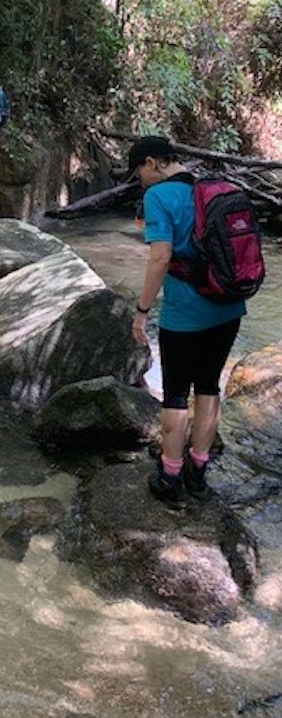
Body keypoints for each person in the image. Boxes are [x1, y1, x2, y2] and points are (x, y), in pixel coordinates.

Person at [129, 135, 245, 505]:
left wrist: (142, 310)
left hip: (185, 314)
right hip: (228, 307)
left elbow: (160, 258)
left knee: (176, 393)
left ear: (153, 163)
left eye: (139, 172)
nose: (140, 181)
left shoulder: (158, 197)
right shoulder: (210, 189)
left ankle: (171, 475)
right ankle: (199, 470)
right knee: (209, 386)